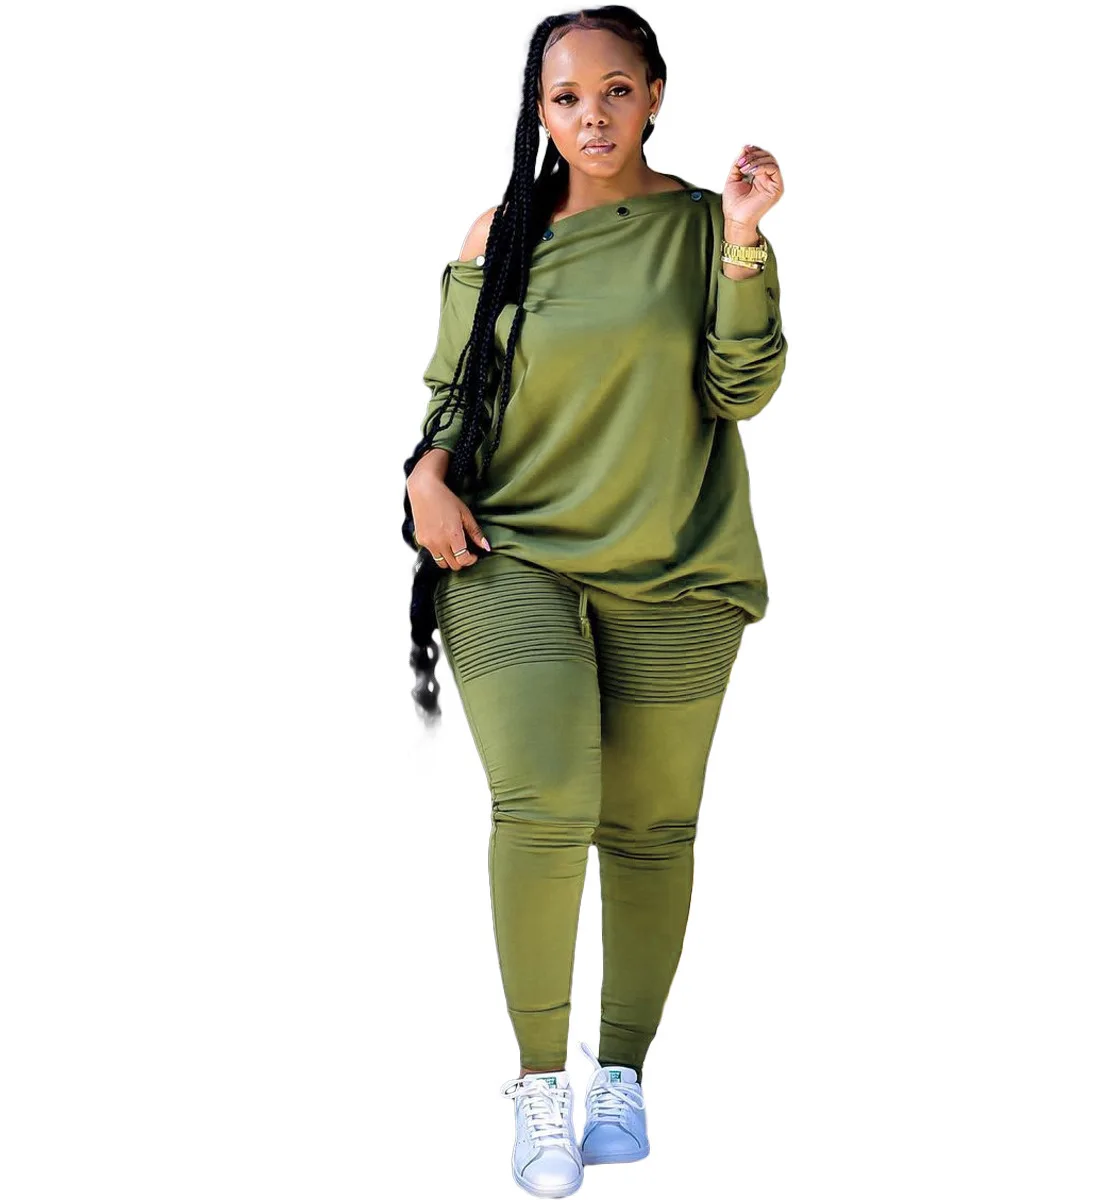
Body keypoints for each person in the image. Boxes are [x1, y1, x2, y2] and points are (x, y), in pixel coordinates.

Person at [401, 8, 787, 1197]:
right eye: (567, 98)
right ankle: (538, 1086)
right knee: (545, 803)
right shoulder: (500, 236)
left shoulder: (702, 229)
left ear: (656, 94)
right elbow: (453, 390)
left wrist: (742, 238)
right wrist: (424, 479)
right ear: (540, 111)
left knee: (652, 828)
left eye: (617, 91)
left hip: (677, 562)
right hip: (509, 550)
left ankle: (620, 1072)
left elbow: (740, 386)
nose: (593, 117)